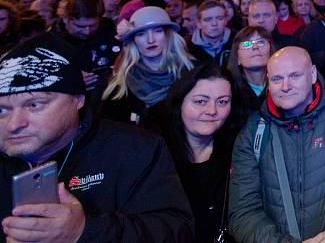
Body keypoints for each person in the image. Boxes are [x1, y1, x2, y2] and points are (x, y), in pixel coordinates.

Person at [0, 33, 194, 242]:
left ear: (77, 100)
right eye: (2, 110)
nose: (14, 124)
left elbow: (176, 231)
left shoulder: (136, 149)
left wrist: (84, 231)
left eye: (34, 105)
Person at [228, 46, 325, 242]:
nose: (285, 86)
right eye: (277, 79)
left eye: (294, 75)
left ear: (312, 74)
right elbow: (243, 210)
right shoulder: (254, 131)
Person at [164, 64, 240, 243]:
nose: (212, 111)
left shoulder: (237, 151)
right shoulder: (157, 154)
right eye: (200, 101)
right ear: (180, 101)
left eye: (222, 102)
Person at [101, 6, 195, 129]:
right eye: (141, 34)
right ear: (133, 40)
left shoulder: (193, 75)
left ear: (168, 35)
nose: (150, 40)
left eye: (157, 31)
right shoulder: (119, 83)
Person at [52, 0, 120, 94]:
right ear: (66, 19)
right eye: (80, 26)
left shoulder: (109, 32)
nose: (87, 31)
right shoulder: (52, 42)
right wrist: (68, 79)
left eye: (93, 26)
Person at [227, 26, 274, 113]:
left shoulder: (283, 85)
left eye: (261, 42)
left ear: (271, 52)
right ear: (237, 58)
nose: (255, 47)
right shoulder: (229, 89)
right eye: (246, 44)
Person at [189, 0, 233, 68]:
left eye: (219, 18)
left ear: (226, 20)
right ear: (199, 24)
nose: (214, 23)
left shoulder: (238, 40)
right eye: (208, 19)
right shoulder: (186, 46)